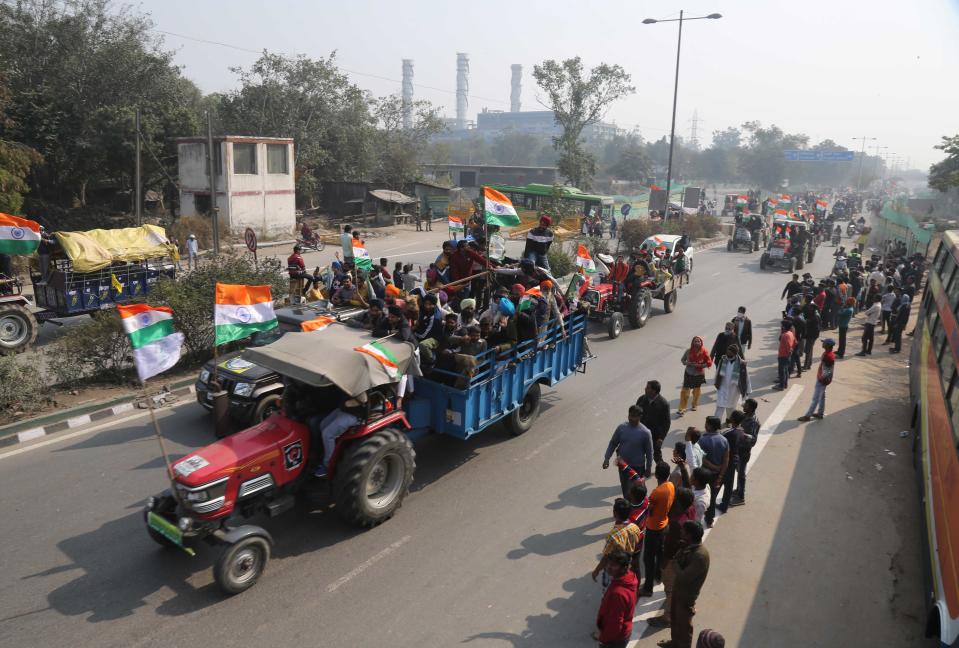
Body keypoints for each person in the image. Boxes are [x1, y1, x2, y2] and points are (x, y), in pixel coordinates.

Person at [647, 487, 696, 630]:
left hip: (672, 560)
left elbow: (669, 547)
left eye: (675, 498)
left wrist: (663, 563)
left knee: (669, 588)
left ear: (679, 503)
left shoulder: (675, 523)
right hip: (684, 556)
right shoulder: (690, 509)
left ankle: (667, 618)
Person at [657, 520, 710, 648]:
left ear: (690, 535)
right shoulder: (689, 547)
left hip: (686, 596)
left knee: (684, 626)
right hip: (678, 590)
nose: (681, 532)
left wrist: (674, 561)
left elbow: (683, 577)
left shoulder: (700, 556)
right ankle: (674, 642)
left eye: (683, 531)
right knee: (675, 620)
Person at [310, 392, 368, 478]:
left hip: (354, 414)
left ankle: (328, 466)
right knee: (322, 425)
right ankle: (328, 453)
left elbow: (364, 398)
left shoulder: (356, 380)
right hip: (343, 409)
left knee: (327, 434)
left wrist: (349, 403)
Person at [640, 462, 675, 597]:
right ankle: (658, 575)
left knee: (648, 559)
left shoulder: (657, 492)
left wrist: (643, 488)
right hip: (664, 525)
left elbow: (650, 510)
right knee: (660, 553)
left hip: (653, 528)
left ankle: (648, 588)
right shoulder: (671, 485)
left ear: (657, 475)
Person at [604, 405, 654, 499]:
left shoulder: (645, 432)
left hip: (638, 467)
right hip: (623, 466)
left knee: (638, 491)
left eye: (634, 416)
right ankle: (628, 509)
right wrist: (607, 458)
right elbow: (613, 443)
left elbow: (649, 452)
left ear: (640, 417)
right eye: (630, 415)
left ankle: (641, 508)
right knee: (626, 490)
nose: (631, 418)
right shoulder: (621, 428)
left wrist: (649, 467)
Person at [592, 550, 639, 648]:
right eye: (609, 563)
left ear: (624, 568)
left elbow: (615, 623)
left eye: (614, 565)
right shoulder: (630, 576)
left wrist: (604, 639)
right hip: (624, 632)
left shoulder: (618, 594)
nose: (609, 567)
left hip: (615, 639)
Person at [592, 499, 643, 586]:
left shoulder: (613, 536)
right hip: (628, 562)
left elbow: (606, 556)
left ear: (615, 513)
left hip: (617, 566)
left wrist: (596, 570)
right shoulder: (635, 527)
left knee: (610, 586)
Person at [697, 416, 728, 528]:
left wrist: (713, 467)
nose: (705, 425)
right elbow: (726, 460)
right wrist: (720, 476)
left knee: (701, 496)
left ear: (710, 426)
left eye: (706, 423)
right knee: (713, 497)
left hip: (705, 475)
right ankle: (709, 520)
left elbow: (702, 459)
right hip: (717, 475)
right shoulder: (724, 440)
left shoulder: (702, 440)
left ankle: (698, 519)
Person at [798, 339, 836, 421]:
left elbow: (827, 371)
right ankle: (820, 413)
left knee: (815, 398)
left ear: (827, 346)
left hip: (822, 380)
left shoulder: (828, 356)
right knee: (822, 396)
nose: (823, 344)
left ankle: (808, 416)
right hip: (824, 380)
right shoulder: (829, 354)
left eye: (824, 343)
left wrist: (821, 379)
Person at [712, 344, 750, 423]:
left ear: (734, 353)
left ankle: (729, 420)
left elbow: (745, 377)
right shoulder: (723, 359)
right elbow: (718, 370)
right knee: (720, 406)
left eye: (730, 351)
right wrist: (716, 382)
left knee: (731, 407)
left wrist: (747, 390)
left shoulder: (741, 364)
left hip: (734, 389)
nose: (727, 352)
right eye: (727, 350)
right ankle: (715, 425)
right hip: (722, 387)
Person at [733, 399, 760, 505]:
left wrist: (742, 434)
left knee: (741, 473)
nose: (744, 406)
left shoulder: (754, 422)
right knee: (738, 470)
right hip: (738, 448)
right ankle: (738, 489)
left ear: (751, 408)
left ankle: (741, 497)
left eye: (746, 405)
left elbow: (753, 440)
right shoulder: (745, 416)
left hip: (744, 451)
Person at [636, 380, 671, 463]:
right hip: (641, 432)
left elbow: (667, 423)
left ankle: (662, 472)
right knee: (638, 453)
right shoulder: (642, 399)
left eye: (647, 388)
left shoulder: (664, 404)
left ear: (654, 391)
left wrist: (661, 438)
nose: (645, 389)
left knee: (657, 455)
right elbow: (635, 414)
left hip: (655, 435)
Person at [678, 337, 712, 416]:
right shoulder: (688, 351)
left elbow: (709, 362)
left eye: (698, 341)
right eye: (695, 341)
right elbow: (683, 360)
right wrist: (688, 363)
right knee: (684, 391)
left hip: (698, 375)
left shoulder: (704, 352)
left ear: (701, 343)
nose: (697, 343)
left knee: (696, 391)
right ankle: (682, 409)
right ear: (692, 343)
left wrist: (700, 365)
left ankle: (694, 404)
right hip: (688, 373)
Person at [774, 319, 797, 390]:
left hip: (783, 355)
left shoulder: (785, 335)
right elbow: (795, 342)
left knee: (782, 371)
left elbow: (788, 346)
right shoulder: (790, 333)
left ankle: (781, 386)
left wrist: (788, 352)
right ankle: (785, 384)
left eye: (781, 326)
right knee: (786, 370)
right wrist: (791, 351)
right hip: (787, 356)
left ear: (783, 327)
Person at [801, 303, 821, 371]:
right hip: (812, 335)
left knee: (808, 350)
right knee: (810, 349)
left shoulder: (815, 317)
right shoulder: (814, 314)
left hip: (812, 335)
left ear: (813, 308)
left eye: (810, 307)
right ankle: (809, 364)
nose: (809, 308)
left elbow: (808, 323)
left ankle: (806, 366)